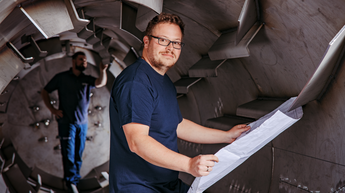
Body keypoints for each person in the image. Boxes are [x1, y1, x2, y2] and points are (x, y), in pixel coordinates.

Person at [109, 13, 250, 193]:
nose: (170, 48)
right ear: (146, 41)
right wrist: (189, 164)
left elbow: (176, 125)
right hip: (137, 187)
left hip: (166, 185)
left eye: (176, 43)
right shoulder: (136, 83)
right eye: (163, 40)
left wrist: (226, 136)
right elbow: (137, 141)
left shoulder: (164, 81)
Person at [41, 52, 108, 192]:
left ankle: (74, 181)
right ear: (73, 61)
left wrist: (103, 71)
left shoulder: (86, 79)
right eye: (81, 60)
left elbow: (101, 82)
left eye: (85, 60)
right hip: (67, 123)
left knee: (78, 154)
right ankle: (70, 182)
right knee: (69, 154)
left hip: (82, 124)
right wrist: (53, 110)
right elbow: (45, 91)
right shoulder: (62, 77)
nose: (84, 62)